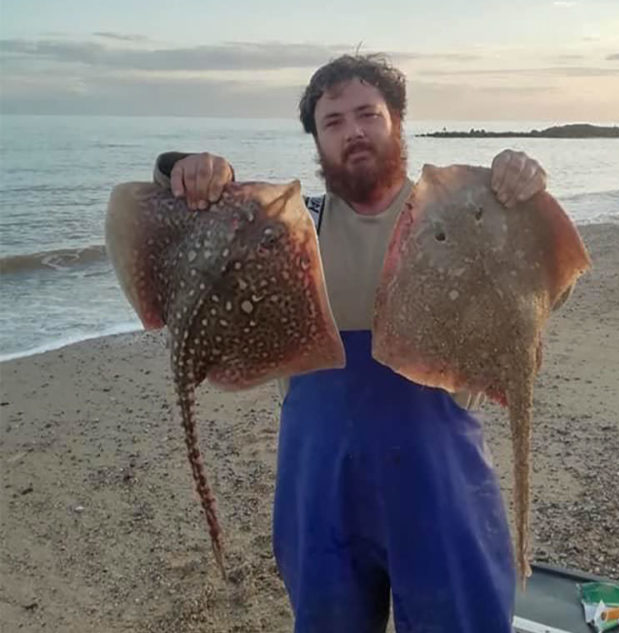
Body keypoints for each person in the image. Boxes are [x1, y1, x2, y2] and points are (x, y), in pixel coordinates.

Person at [152, 54, 547, 633]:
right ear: (317, 141)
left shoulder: (463, 218)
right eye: (333, 121)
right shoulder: (293, 233)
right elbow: (173, 205)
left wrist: (523, 183)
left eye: (368, 114)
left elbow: (539, 289)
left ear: (397, 123)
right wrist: (185, 168)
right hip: (320, 489)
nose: (353, 131)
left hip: (441, 490)